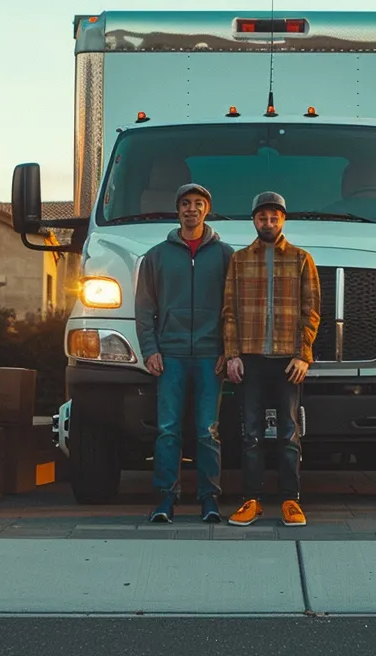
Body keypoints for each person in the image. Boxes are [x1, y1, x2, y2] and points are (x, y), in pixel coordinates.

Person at [134, 182, 235, 523]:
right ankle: (165, 499)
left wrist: (229, 349)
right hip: (171, 355)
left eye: (198, 204)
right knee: (168, 429)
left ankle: (209, 500)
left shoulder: (225, 256)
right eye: (186, 204)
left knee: (208, 430)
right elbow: (145, 308)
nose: (192, 209)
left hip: (210, 357)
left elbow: (232, 308)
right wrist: (150, 349)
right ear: (177, 210)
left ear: (207, 210)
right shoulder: (156, 256)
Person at [222, 191, 321, 527]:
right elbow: (229, 311)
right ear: (254, 220)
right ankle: (251, 500)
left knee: (288, 432)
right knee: (249, 433)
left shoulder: (301, 259)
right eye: (262, 217)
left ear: (283, 219)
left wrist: (303, 355)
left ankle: (290, 501)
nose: (268, 222)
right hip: (250, 358)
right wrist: (232, 354)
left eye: (274, 217)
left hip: (287, 360)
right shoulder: (239, 260)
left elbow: (311, 312)